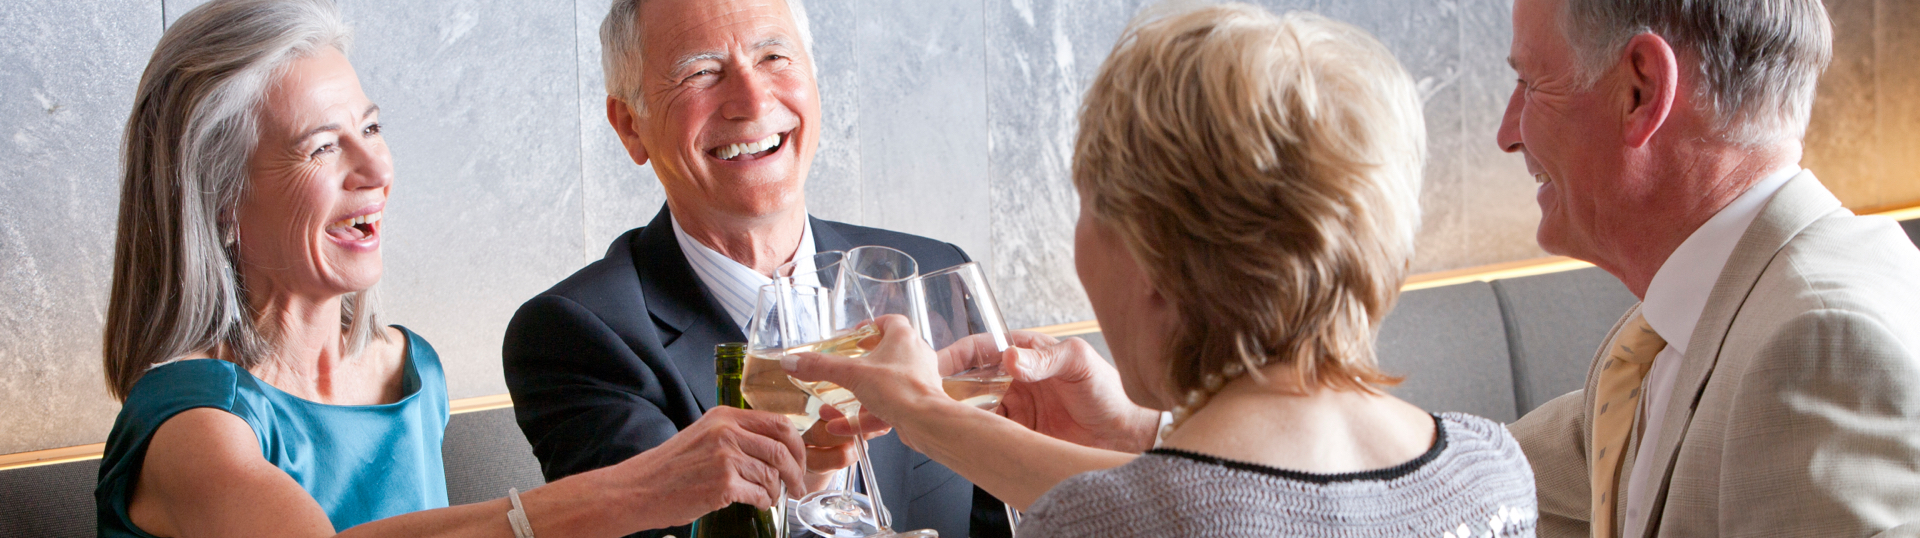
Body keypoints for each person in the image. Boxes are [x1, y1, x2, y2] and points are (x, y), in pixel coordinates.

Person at [782, 4, 1540, 536]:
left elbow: (1176, 513)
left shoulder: (1114, 520)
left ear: (1150, 254)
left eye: (1087, 208)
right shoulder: (1490, 467)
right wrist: (1145, 435)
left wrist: (922, 411)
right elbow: (1244, 505)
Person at [95, 1, 808, 536]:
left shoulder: (411, 372)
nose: (376, 169)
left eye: (370, 129)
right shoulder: (190, 425)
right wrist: (643, 487)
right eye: (321, 148)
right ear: (221, 199)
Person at [500, 0, 979, 535]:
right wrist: (809, 486)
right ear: (631, 126)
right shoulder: (577, 334)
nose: (752, 101)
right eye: (701, 73)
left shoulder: (933, 274)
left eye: (774, 56)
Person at [1497, 0, 1920, 536]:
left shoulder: (1818, 343)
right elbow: (1505, 472)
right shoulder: (1683, 325)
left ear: (1640, 91)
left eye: (1530, 84)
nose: (1508, 132)